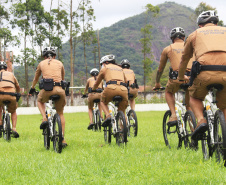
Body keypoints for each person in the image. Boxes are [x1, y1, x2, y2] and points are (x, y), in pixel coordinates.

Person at [178, 10, 226, 139]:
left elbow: (184, 60)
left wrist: (181, 77)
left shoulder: (194, 34)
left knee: (194, 97)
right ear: (216, 23)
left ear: (200, 25)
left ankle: (201, 121)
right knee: (224, 105)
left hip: (204, 73)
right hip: (225, 73)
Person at [153, 27, 194, 126]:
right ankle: (193, 131)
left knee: (168, 91)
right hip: (192, 79)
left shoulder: (168, 49)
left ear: (172, 38)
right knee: (190, 107)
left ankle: (173, 114)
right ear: (184, 37)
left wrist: (157, 83)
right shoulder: (192, 47)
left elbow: (160, 69)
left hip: (177, 78)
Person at [29, 47, 67, 147]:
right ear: (54, 56)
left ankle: (44, 118)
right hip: (59, 90)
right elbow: (63, 78)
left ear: (44, 56)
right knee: (60, 113)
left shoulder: (41, 63)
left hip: (47, 90)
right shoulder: (60, 63)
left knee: (39, 101)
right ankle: (63, 139)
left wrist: (32, 88)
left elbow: (36, 78)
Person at [92, 54, 128, 126]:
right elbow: (126, 81)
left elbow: (97, 82)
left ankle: (108, 116)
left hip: (111, 88)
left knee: (102, 101)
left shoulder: (105, 68)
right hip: (123, 90)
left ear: (105, 62)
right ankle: (123, 133)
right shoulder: (120, 68)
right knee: (122, 112)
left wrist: (93, 89)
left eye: (102, 64)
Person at [0, 61, 20, 138]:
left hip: (1, 95)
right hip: (11, 95)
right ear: (6, 68)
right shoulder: (11, 74)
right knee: (13, 111)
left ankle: (0, 123)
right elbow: (17, 86)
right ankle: (14, 128)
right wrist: (18, 94)